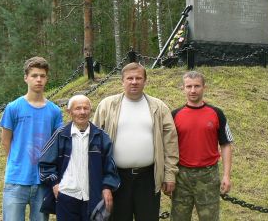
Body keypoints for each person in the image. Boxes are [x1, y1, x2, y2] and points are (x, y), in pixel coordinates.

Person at [92, 62, 179, 221]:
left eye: (138, 78)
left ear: (145, 81)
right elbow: (94, 144)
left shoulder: (158, 107)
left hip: (148, 178)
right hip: (116, 178)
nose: (134, 82)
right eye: (129, 78)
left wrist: (170, 174)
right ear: (122, 81)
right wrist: (101, 180)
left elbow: (170, 143)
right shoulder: (107, 105)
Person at [0, 56, 63, 221]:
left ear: (47, 78)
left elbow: (57, 145)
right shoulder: (13, 108)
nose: (39, 80)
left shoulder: (55, 111)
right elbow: (6, 141)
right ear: (26, 78)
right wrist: (18, 162)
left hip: (43, 181)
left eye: (42, 76)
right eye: (34, 75)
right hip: (16, 180)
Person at [39, 95, 120, 221]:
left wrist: (107, 187)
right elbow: (45, 163)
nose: (82, 112)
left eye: (85, 108)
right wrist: (54, 183)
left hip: (93, 197)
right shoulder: (61, 134)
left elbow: (110, 167)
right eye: (77, 108)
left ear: (90, 111)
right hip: (66, 195)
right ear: (69, 112)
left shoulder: (101, 136)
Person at [170, 71, 233, 221]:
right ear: (183, 88)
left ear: (204, 87)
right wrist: (168, 177)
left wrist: (226, 175)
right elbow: (167, 148)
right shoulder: (174, 115)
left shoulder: (217, 113)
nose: (193, 90)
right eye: (189, 86)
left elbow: (226, 145)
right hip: (181, 176)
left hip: (208, 176)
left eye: (197, 86)